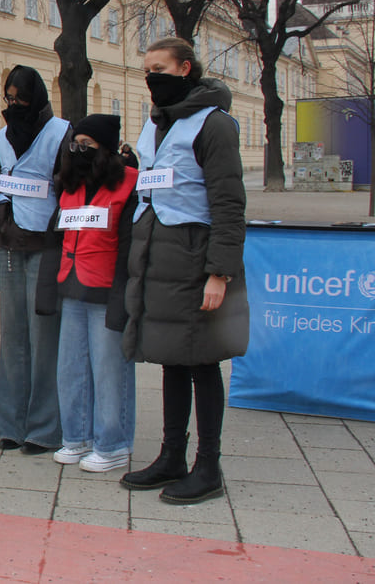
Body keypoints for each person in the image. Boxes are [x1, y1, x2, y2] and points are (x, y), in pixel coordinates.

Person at [121, 36, 248, 504]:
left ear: (186, 69)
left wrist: (220, 272)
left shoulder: (214, 125)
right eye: (147, 69)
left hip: (196, 258)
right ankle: (172, 455)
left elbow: (230, 204)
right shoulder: (155, 125)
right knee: (171, 357)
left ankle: (208, 466)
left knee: (202, 359)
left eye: (160, 68)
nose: (152, 77)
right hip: (159, 255)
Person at [0, 66, 71, 453]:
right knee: (13, 336)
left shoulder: (60, 132)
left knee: (44, 336)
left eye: (21, 97)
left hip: (46, 242)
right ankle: (11, 423)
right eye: (9, 97)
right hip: (7, 239)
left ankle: (45, 428)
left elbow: (69, 187)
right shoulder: (1, 136)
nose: (14, 104)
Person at [44, 114, 138, 472]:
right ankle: (77, 436)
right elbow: (59, 235)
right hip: (72, 286)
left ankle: (113, 443)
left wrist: (125, 292)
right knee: (71, 368)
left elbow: (129, 244)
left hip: (107, 288)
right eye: (75, 143)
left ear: (106, 148)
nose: (79, 150)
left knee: (109, 368)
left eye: (87, 144)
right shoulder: (70, 184)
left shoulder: (129, 183)